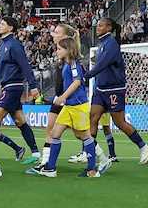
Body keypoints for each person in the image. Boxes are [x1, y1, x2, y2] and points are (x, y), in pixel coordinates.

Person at [88, 16, 148, 168]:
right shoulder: (103, 43)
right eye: (97, 25)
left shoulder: (111, 44)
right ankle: (88, 151)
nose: (97, 27)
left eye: (100, 25)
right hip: (100, 89)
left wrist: (87, 76)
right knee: (92, 118)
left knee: (119, 122)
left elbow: (102, 64)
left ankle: (145, 148)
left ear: (109, 28)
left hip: (114, 89)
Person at [31, 36, 100, 178]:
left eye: (59, 49)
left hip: (78, 106)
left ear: (68, 50)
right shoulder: (67, 65)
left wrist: (63, 96)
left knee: (85, 136)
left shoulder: (74, 64)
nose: (57, 51)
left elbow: (76, 82)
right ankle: (50, 168)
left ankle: (92, 170)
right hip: (69, 106)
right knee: (55, 133)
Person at [0, 15, 39, 177]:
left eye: (3, 24)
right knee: (20, 120)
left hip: (12, 87)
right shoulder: (3, 45)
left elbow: (25, 65)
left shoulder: (14, 45)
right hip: (6, 86)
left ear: (11, 28)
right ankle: (35, 153)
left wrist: (33, 86)